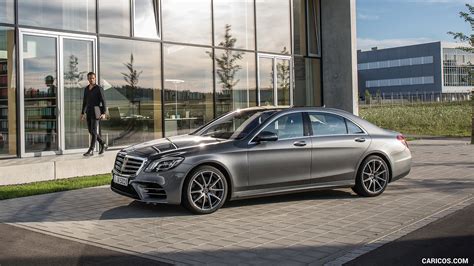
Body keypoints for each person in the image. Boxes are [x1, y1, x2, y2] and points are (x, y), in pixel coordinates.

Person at [80, 72, 107, 156]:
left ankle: (91, 150)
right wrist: (82, 112)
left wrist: (104, 113)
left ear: (95, 78)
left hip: (97, 111)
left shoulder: (99, 88)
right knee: (90, 131)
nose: (91, 79)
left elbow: (103, 101)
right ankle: (103, 144)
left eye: (93, 78)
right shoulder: (86, 89)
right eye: (90, 78)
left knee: (94, 131)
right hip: (89, 111)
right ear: (88, 79)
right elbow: (85, 101)